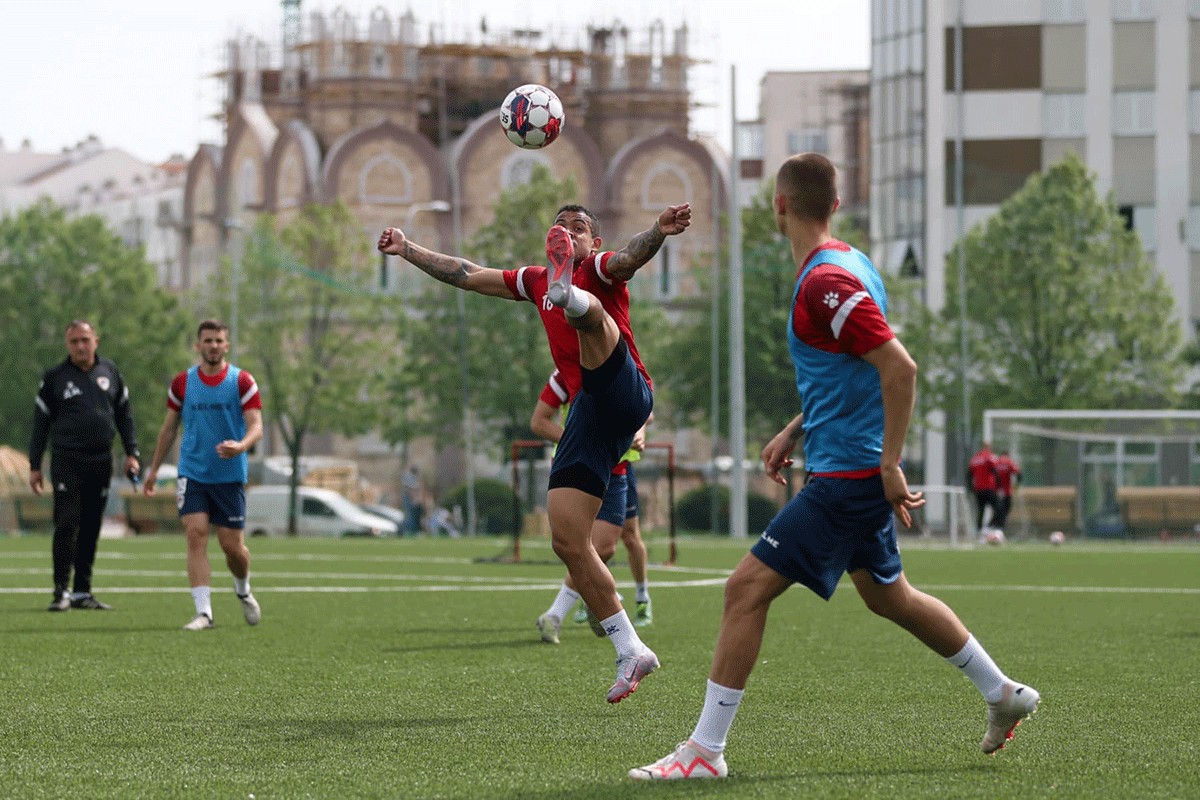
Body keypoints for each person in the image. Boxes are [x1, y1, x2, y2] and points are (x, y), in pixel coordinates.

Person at [630, 154, 1039, 780]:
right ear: (836, 205)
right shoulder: (853, 264)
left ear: (779, 205)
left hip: (850, 477)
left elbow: (899, 368)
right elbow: (854, 365)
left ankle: (704, 752)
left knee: (744, 590)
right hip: (845, 464)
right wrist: (797, 427)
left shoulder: (828, 281)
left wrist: (889, 465)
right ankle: (1001, 691)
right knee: (889, 596)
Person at [378, 200, 690, 702]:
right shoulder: (532, 280)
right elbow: (468, 274)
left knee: (591, 320)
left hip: (626, 390)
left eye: (578, 229)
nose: (567, 233)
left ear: (593, 241)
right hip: (588, 416)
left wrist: (657, 229)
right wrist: (407, 249)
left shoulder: (602, 266)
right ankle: (631, 649)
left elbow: (630, 258)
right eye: (560, 228)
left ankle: (578, 302)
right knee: (568, 541)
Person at [142, 320, 264, 631]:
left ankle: (243, 590)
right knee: (195, 534)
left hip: (229, 475)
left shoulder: (242, 382)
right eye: (207, 340)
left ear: (227, 345)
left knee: (231, 547)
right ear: (198, 346)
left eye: (218, 340)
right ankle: (204, 612)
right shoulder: (182, 383)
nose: (212, 345)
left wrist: (241, 446)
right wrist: (154, 469)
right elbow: (169, 429)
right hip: (192, 472)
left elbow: (256, 426)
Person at [531, 369, 653, 645]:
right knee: (573, 545)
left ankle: (583, 601)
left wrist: (640, 433)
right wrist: (581, 445)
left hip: (618, 470)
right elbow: (539, 421)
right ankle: (566, 612)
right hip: (578, 467)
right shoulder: (566, 374)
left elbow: (644, 412)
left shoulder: (630, 368)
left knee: (606, 547)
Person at [28, 320, 140, 612]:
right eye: (75, 341)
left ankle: (82, 592)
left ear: (96, 341)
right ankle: (60, 591)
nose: (80, 346)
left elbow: (124, 416)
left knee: (91, 526)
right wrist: (34, 464)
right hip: (67, 460)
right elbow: (40, 425)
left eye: (85, 340)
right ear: (67, 345)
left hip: (101, 460)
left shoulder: (110, 372)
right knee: (67, 523)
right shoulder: (55, 377)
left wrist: (132, 453)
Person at [968, 441, 1000, 533]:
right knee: (998, 510)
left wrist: (972, 488)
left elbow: (969, 474)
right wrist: (998, 486)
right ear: (988, 447)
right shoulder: (989, 457)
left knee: (981, 511)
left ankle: (979, 530)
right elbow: (995, 471)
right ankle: (988, 528)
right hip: (989, 488)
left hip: (978, 489)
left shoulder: (975, 458)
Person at [993, 449, 1022, 530]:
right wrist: (1017, 485)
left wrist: (998, 486)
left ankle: (994, 528)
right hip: (1007, 491)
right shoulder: (1009, 462)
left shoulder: (996, 462)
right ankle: (999, 529)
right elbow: (1018, 472)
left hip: (996, 491)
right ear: (1008, 454)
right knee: (1005, 511)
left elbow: (993, 473)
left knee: (998, 511)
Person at [401, 464, 424, 536]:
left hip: (414, 499)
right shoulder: (408, 477)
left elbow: (418, 489)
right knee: (409, 516)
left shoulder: (415, 477)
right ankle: (408, 532)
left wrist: (418, 499)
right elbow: (410, 489)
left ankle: (415, 532)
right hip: (409, 499)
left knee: (415, 516)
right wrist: (414, 499)